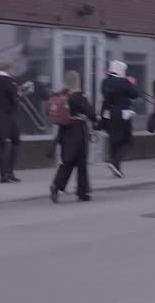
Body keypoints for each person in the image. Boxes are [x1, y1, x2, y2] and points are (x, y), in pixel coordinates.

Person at [50, 70, 98, 203]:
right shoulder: (78, 96)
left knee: (67, 160)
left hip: (64, 131)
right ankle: (82, 192)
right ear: (77, 81)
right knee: (82, 162)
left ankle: (56, 185)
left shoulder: (61, 95)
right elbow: (91, 113)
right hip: (78, 130)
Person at [99, 60, 139, 178]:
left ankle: (117, 169)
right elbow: (135, 95)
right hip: (123, 114)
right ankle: (115, 162)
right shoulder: (124, 82)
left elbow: (106, 96)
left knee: (114, 141)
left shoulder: (105, 82)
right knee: (127, 141)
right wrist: (130, 84)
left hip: (110, 114)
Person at [0, 61, 21, 183]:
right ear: (8, 68)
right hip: (7, 115)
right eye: (13, 68)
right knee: (15, 141)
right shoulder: (9, 81)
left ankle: (2, 174)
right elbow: (14, 97)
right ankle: (9, 172)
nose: (14, 71)